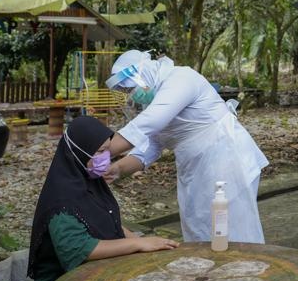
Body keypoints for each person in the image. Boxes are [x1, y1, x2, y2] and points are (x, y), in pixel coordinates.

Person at [103, 50, 269, 244]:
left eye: (130, 88)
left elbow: (150, 122)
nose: (131, 94)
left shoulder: (181, 78)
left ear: (144, 72)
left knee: (231, 227)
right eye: (125, 92)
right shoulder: (156, 101)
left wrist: (99, 152)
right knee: (199, 226)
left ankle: (243, 271)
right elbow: (152, 145)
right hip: (194, 168)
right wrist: (117, 169)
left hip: (225, 158)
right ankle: (210, 273)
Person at [28, 115, 178, 281]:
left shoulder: (87, 177)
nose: (106, 157)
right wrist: (137, 244)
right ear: (79, 152)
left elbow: (108, 218)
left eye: (108, 150)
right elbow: (80, 249)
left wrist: (143, 243)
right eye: (100, 151)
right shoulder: (62, 200)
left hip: (93, 273)